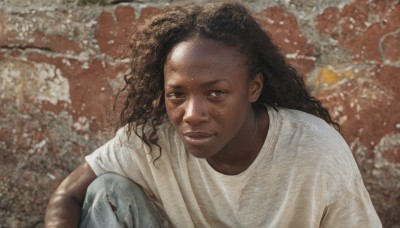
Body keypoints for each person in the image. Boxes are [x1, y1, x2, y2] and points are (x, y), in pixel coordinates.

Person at [44, 1, 382, 227]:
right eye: (177, 94)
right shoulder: (153, 140)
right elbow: (67, 195)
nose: (191, 114)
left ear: (253, 88)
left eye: (216, 93)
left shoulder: (315, 151)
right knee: (109, 191)